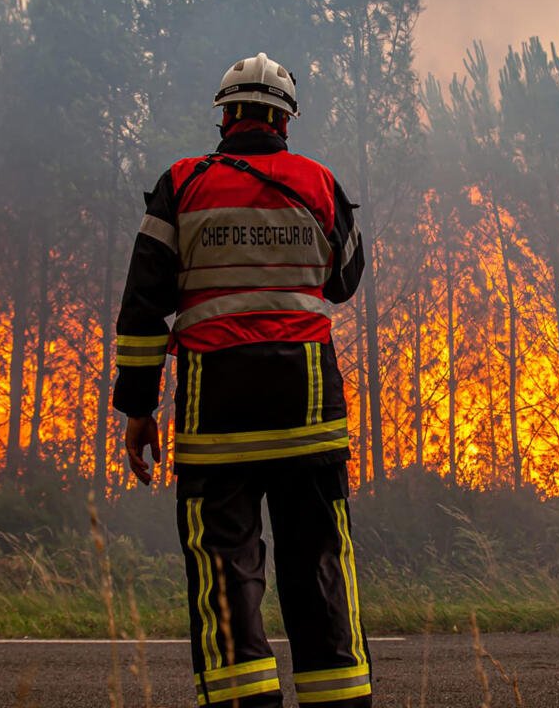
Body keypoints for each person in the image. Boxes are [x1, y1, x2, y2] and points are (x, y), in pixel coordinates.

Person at [113, 52, 370, 708]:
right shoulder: (319, 184)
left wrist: (138, 410)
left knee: (225, 580)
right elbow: (343, 281)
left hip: (215, 419)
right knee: (320, 573)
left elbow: (144, 308)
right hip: (309, 415)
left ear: (225, 116)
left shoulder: (181, 183)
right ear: (286, 122)